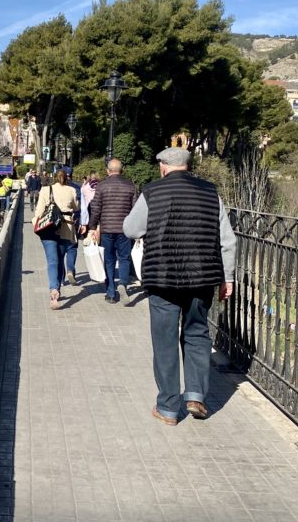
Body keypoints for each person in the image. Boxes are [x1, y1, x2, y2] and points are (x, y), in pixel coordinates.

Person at [123, 147, 237, 426]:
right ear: (188, 166)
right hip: (202, 278)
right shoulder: (211, 192)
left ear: (163, 166)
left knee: (165, 342)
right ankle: (196, 395)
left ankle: (169, 408)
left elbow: (131, 229)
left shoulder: (153, 191)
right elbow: (228, 240)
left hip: (162, 278)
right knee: (197, 333)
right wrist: (228, 278)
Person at [88, 159, 139, 303]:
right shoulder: (131, 186)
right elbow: (135, 210)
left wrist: (92, 227)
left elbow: (96, 209)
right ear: (121, 170)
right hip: (124, 229)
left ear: (108, 170)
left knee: (109, 260)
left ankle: (111, 292)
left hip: (107, 229)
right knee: (124, 258)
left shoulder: (102, 186)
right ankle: (123, 284)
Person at [33, 169, 79, 310]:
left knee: (52, 261)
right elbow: (76, 207)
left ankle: (54, 290)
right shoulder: (72, 190)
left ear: (54, 178)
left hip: (48, 228)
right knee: (60, 260)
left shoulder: (46, 190)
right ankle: (59, 286)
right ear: (66, 178)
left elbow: (39, 211)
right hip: (66, 228)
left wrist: (35, 223)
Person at [77, 171, 99, 240]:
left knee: (89, 237)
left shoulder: (84, 188)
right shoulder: (101, 186)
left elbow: (83, 205)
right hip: (100, 212)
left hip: (88, 212)